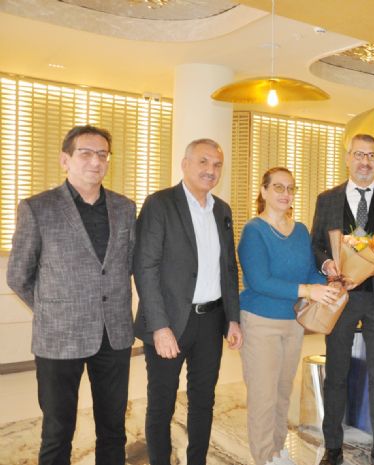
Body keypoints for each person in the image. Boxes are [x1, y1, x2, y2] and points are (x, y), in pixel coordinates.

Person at [7, 125, 136, 465]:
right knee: (57, 431)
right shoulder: (38, 208)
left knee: (113, 429)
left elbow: (127, 265)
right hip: (59, 337)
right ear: (65, 160)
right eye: (86, 153)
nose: (96, 161)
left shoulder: (125, 208)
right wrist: (54, 309)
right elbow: (18, 275)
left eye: (102, 154)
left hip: (114, 335)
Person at [133, 138, 242, 465]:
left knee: (203, 401)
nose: (211, 170)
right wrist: (159, 326)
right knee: (161, 404)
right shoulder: (160, 204)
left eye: (217, 165)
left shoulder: (222, 210)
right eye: (203, 162)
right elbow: (145, 267)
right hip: (170, 322)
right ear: (185, 164)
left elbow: (228, 268)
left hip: (211, 321)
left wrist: (233, 318)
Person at [311, 133, 374, 465]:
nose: (365, 162)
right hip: (340, 299)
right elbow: (316, 244)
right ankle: (333, 446)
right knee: (336, 373)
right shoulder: (327, 199)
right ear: (347, 158)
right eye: (359, 155)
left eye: (371, 156)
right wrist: (327, 264)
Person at [237, 167, 339, 465]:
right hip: (260, 323)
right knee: (263, 397)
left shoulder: (301, 231)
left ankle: (277, 451)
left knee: (282, 393)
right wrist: (308, 290)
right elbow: (260, 281)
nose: (285, 194)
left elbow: (308, 272)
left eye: (290, 188)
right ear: (264, 191)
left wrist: (329, 281)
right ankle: (263, 458)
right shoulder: (254, 231)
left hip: (293, 323)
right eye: (278, 187)